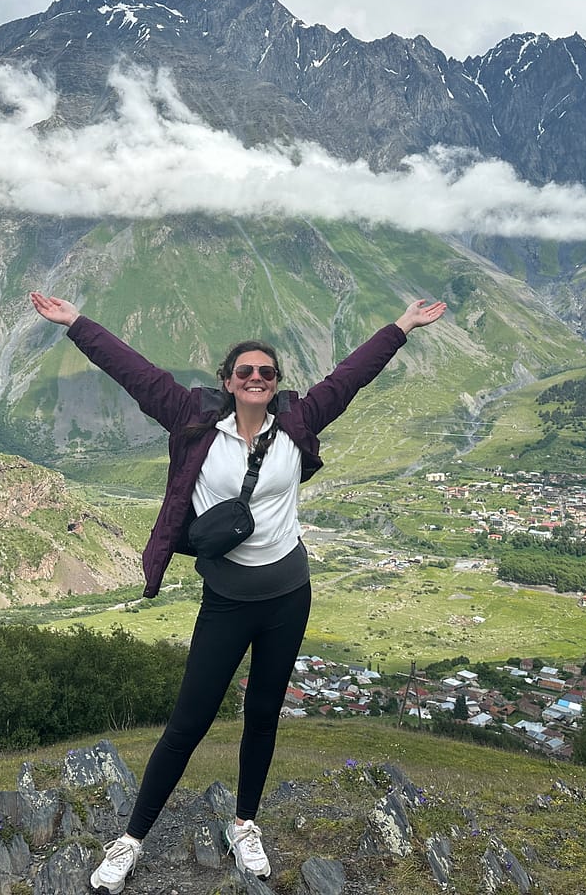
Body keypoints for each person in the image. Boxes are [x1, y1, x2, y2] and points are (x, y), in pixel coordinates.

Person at [29, 291, 446, 893]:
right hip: (226, 601)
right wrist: (76, 325)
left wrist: (402, 326)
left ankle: (245, 824)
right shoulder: (192, 417)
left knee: (262, 715)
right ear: (228, 380)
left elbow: (349, 377)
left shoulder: (297, 421)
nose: (256, 378)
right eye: (246, 371)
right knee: (188, 724)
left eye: (267, 373)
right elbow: (133, 371)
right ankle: (131, 839)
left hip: (287, 596)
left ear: (276, 384)